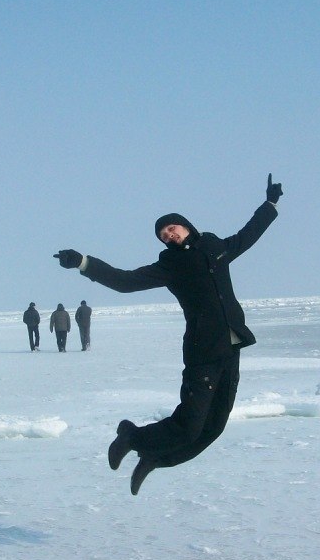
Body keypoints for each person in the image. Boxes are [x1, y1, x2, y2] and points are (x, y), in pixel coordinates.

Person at [54, 174, 283, 494]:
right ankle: (132, 437)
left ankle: (154, 460)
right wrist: (83, 263)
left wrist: (270, 204)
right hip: (203, 352)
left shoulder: (215, 246)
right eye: (163, 235)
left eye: (172, 228)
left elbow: (249, 234)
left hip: (232, 346)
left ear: (186, 225)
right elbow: (124, 281)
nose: (169, 236)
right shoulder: (171, 265)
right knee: (189, 426)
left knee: (213, 428)